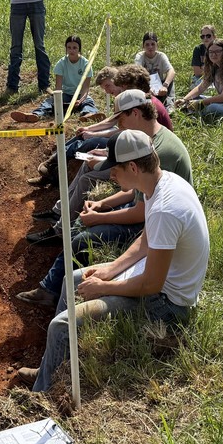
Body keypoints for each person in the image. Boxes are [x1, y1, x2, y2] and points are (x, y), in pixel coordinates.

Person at [16, 129, 209, 391]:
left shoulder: (165, 208)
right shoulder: (162, 184)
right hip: (156, 285)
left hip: (167, 306)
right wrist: (110, 269)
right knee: (71, 280)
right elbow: (145, 240)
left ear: (133, 166)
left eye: (114, 168)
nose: (111, 174)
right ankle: (54, 364)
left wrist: (104, 287)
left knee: (61, 324)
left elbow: (152, 284)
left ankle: (42, 393)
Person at [19, 89, 193, 306]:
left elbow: (140, 213)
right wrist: (102, 203)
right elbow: (136, 193)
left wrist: (99, 218)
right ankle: (57, 255)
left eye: (120, 118)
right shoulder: (149, 141)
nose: (118, 125)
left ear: (136, 114)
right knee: (84, 224)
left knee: (82, 238)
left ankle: (50, 290)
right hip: (151, 217)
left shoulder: (159, 150)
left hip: (154, 225)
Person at [26, 64, 173, 187]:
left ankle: (54, 165)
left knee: (90, 141)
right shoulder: (139, 100)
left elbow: (122, 132)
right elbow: (113, 121)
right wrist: (89, 129)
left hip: (144, 151)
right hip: (140, 145)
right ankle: (54, 164)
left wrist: (94, 134)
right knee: (84, 137)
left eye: (113, 86)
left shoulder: (139, 104)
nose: (111, 90)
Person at [11, 34, 96, 122]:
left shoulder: (86, 64)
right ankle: (36, 114)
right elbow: (58, 87)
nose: (71, 50)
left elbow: (86, 88)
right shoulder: (61, 63)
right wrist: (58, 99)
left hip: (80, 95)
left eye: (75, 48)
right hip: (65, 94)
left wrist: (80, 100)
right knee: (49, 102)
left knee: (89, 102)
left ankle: (89, 114)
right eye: (69, 47)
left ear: (79, 49)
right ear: (66, 48)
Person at [175, 38, 223, 122]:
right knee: (193, 97)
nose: (214, 55)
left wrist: (200, 103)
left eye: (217, 51)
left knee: (212, 107)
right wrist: (185, 99)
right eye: (211, 52)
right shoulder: (214, 66)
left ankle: (193, 115)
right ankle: (187, 109)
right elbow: (201, 87)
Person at [135, 31, 176, 104]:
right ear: (143, 46)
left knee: (170, 81)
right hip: (146, 86)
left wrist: (165, 86)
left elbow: (171, 71)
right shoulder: (140, 56)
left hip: (159, 86)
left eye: (153, 44)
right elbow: (137, 73)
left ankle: (170, 104)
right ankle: (145, 104)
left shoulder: (161, 56)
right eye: (147, 45)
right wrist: (147, 88)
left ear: (157, 45)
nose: (150, 47)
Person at [190, 24, 215, 89]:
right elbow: (197, 72)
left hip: (216, 78)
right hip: (201, 78)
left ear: (214, 36)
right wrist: (213, 70)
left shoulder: (219, 49)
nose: (205, 38)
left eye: (208, 36)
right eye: (202, 36)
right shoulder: (198, 49)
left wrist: (204, 69)